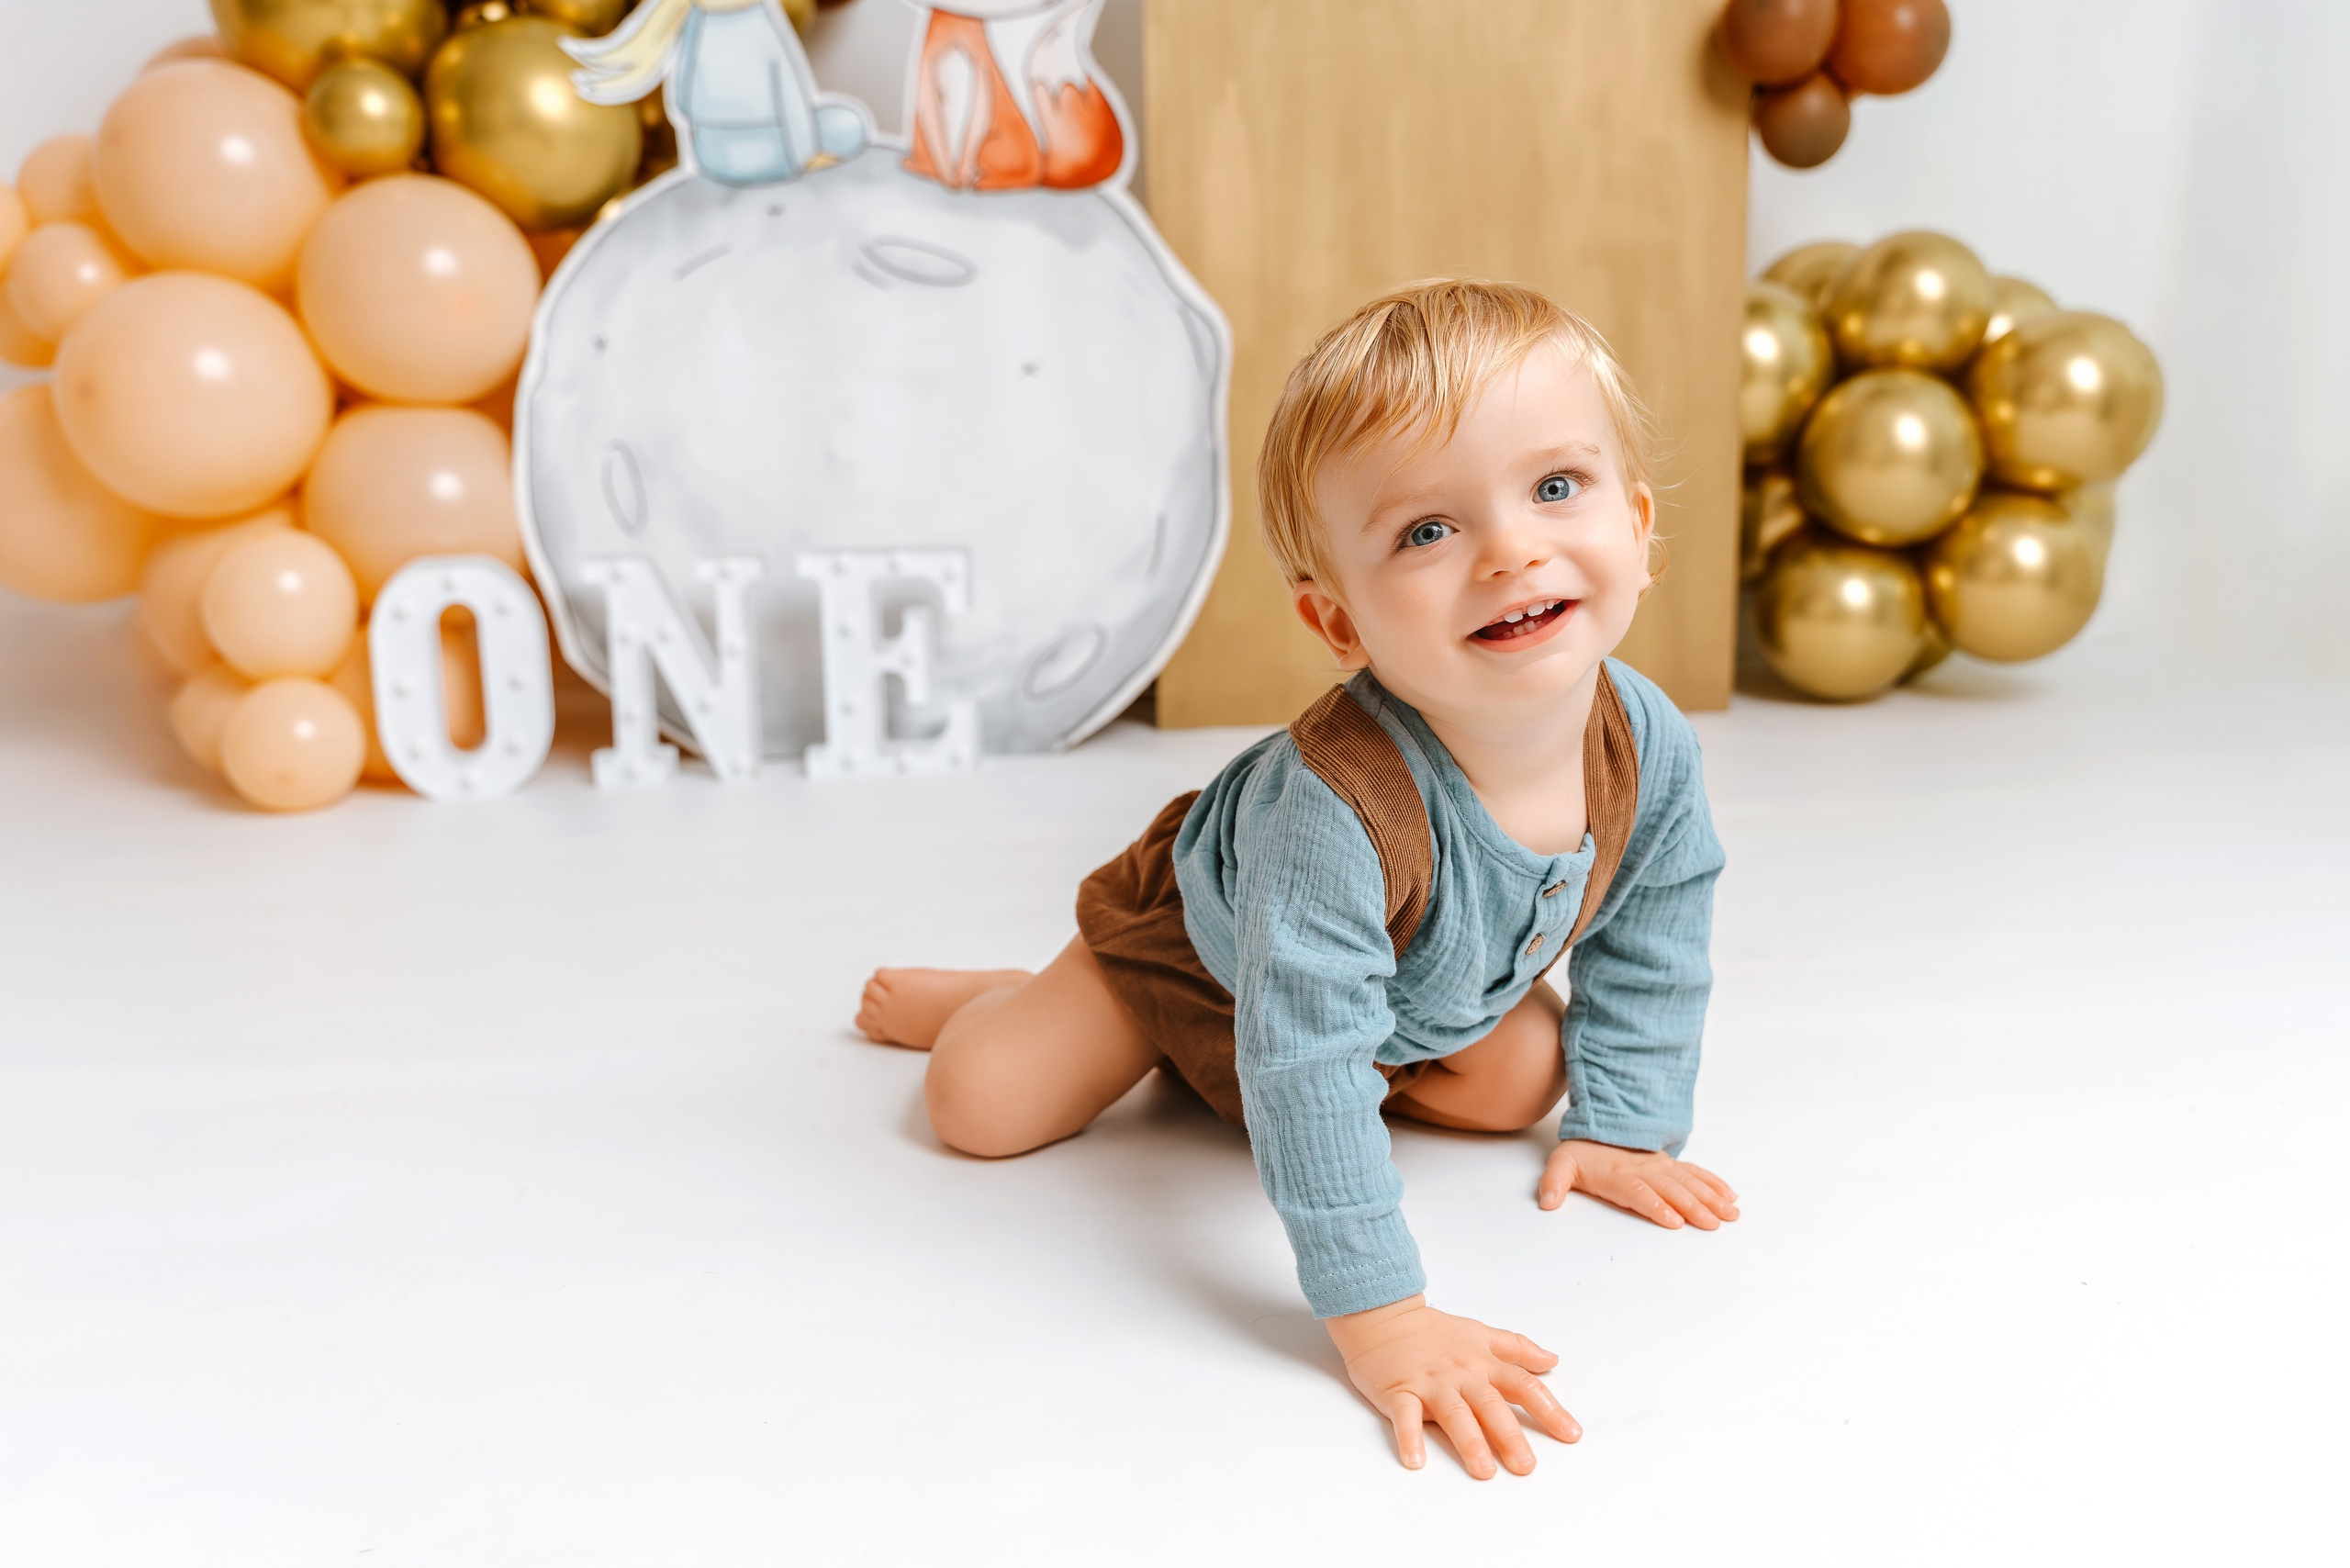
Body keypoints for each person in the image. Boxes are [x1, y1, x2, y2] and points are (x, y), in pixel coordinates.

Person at [856, 278, 1738, 1479]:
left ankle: (1275, 1060)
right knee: (983, 1111)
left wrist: (1629, 1125)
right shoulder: (1333, 812)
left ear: (1638, 526)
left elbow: (1655, 919)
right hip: (1193, 956)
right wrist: (1383, 1322)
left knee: (1524, 1080)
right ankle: (1014, 1000)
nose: (1511, 549)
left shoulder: (1646, 741)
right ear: (1340, 622)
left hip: (1385, 1005)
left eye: (1554, 487)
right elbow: (1303, 1060)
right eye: (1427, 532)